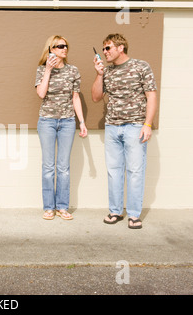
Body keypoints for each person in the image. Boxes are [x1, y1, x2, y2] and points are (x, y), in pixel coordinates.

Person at [91, 33, 157, 229]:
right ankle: (115, 211)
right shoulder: (108, 71)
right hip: (112, 127)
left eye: (108, 48)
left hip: (135, 126)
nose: (104, 52)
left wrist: (147, 124)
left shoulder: (141, 66)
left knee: (135, 171)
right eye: (103, 49)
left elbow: (151, 96)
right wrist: (99, 74)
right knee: (114, 171)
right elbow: (96, 97)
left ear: (120, 48)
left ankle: (134, 215)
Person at [35, 35, 88, 221]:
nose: (64, 48)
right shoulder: (41, 69)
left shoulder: (73, 71)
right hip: (47, 121)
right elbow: (41, 93)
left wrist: (81, 122)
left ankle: (62, 207)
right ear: (51, 49)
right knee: (48, 167)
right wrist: (48, 70)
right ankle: (49, 207)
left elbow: (75, 98)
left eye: (66, 45)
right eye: (60, 46)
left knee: (63, 167)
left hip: (67, 122)